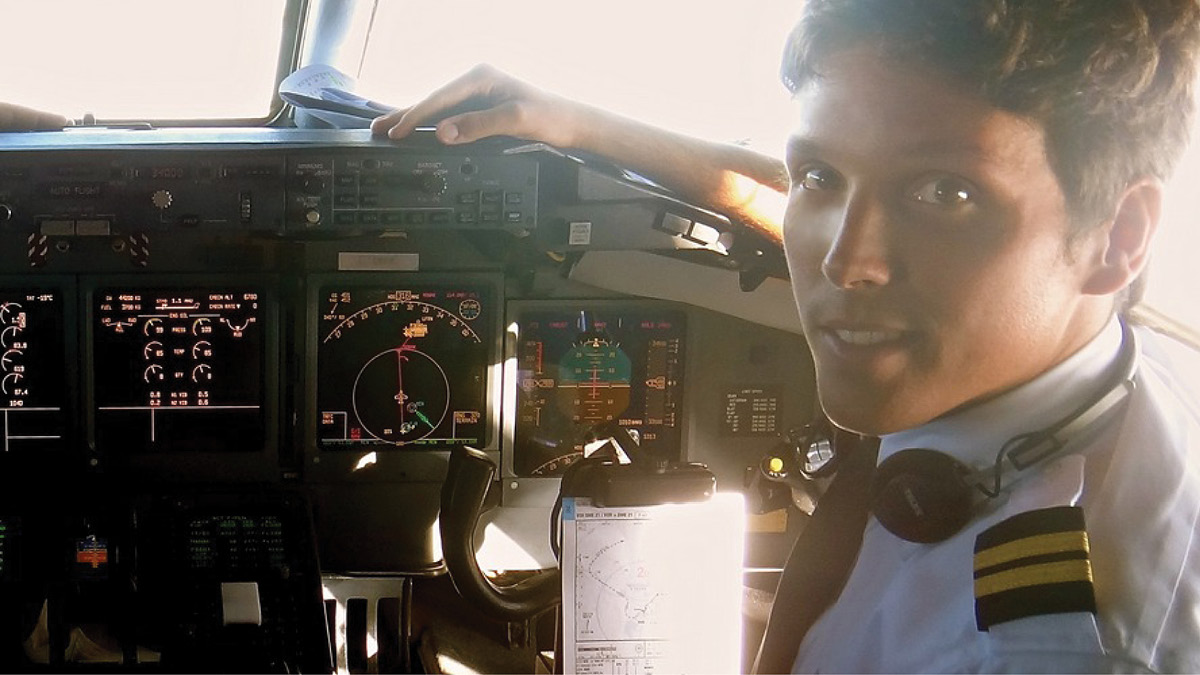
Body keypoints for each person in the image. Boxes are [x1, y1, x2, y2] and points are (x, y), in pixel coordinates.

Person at [374, 0, 1200, 672]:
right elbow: (773, 187)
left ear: (1119, 236)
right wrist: (572, 121)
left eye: (945, 193)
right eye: (823, 177)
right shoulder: (1090, 367)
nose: (845, 259)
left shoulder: (1049, 647)